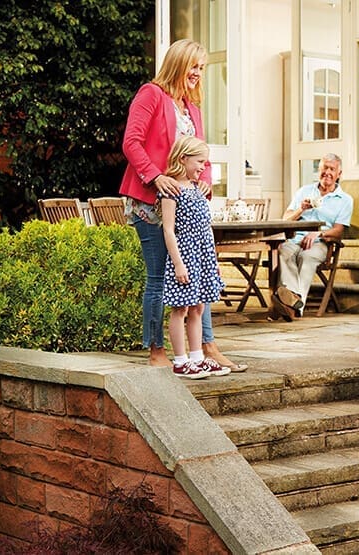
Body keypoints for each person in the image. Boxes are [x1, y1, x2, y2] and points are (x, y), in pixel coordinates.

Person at [119, 38, 246, 371]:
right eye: (194, 66)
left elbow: (200, 152)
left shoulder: (193, 108)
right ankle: (157, 351)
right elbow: (131, 143)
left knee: (198, 276)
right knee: (159, 276)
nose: (198, 74)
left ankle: (206, 347)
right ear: (178, 63)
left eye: (202, 68)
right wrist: (154, 176)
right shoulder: (151, 94)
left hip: (187, 203)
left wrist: (205, 179)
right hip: (150, 200)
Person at [159, 136, 230, 379]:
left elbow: (206, 226)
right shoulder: (172, 191)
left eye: (205, 163)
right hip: (185, 256)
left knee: (199, 307)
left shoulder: (198, 189)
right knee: (181, 308)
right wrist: (178, 263)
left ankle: (197, 358)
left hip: (203, 255)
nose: (203, 167)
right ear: (183, 158)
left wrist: (214, 261)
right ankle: (180, 361)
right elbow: (168, 230)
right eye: (199, 162)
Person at [270, 153, 353, 321]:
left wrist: (319, 233)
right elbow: (285, 219)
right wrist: (301, 209)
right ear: (319, 170)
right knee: (283, 250)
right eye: (324, 168)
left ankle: (291, 305)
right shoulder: (304, 191)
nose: (327, 172)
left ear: (339, 174)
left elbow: (338, 230)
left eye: (332, 169)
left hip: (321, 242)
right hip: (295, 238)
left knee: (306, 256)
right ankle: (294, 303)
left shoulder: (345, 200)